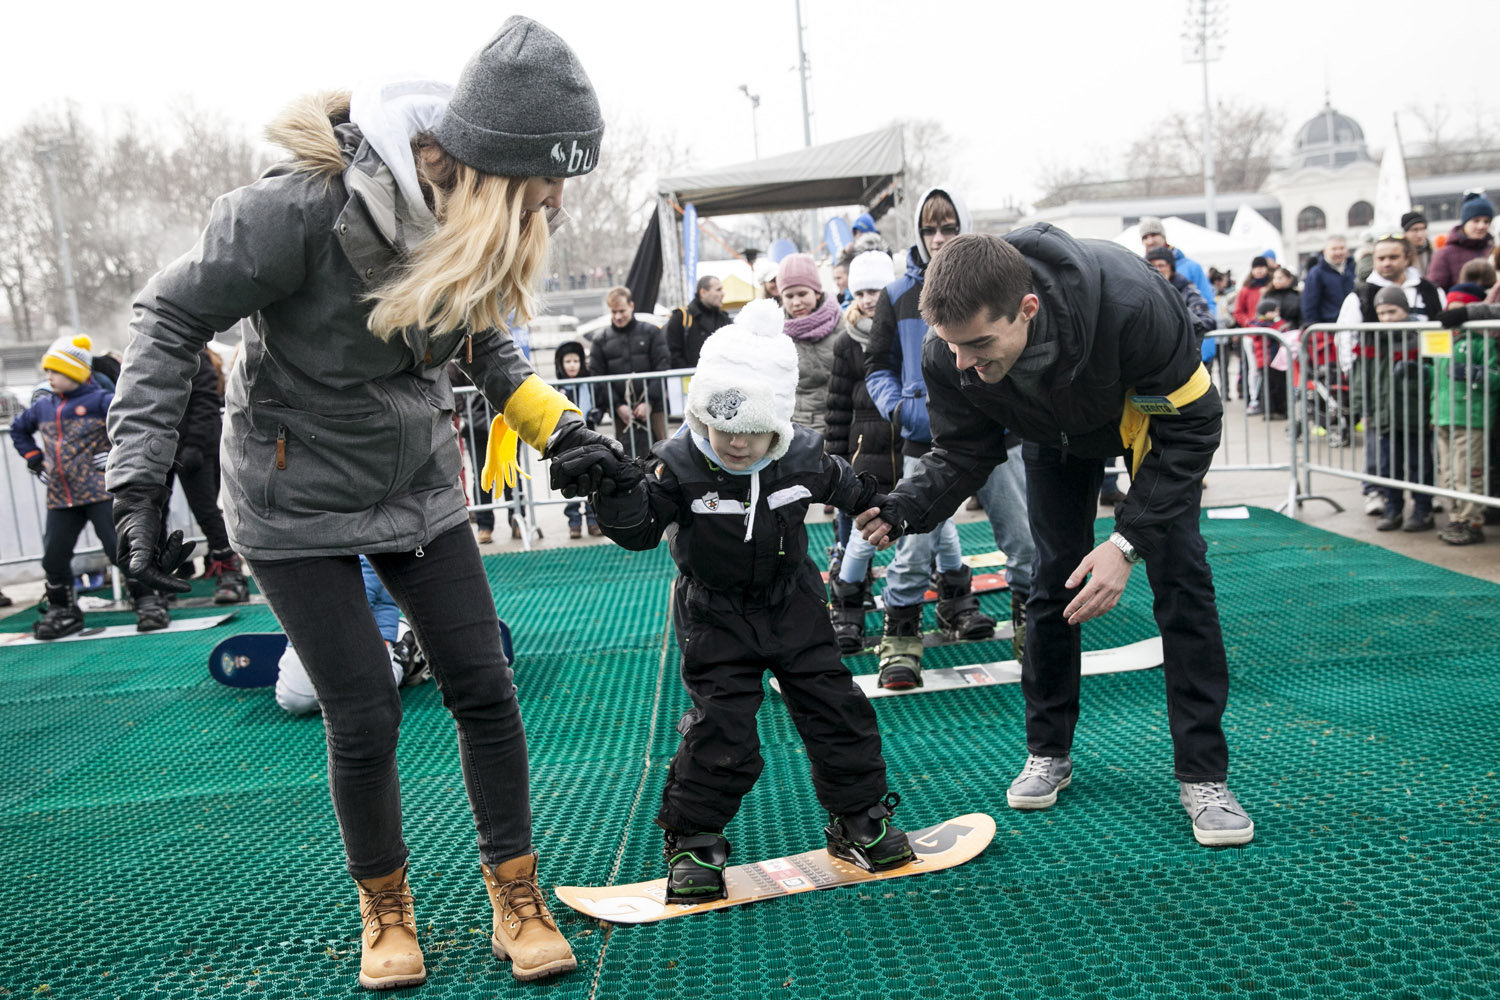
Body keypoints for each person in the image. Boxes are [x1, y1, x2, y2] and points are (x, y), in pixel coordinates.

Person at [104, 18, 623, 987]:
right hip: (290, 494)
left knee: (484, 684)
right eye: (550, 180)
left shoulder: (467, 215)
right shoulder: (302, 209)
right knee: (364, 708)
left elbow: (484, 342)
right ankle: (384, 906)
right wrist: (134, 481)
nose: (556, 199)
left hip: (416, 482)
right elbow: (169, 313)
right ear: (492, 162)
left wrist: (567, 432)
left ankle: (516, 892)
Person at [857, 228, 1254, 848]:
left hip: (1149, 423)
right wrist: (902, 509)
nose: (964, 364)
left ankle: (1203, 775)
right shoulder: (951, 351)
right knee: (1049, 582)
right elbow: (963, 450)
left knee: (1183, 580)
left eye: (980, 344)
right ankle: (1049, 752)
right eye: (952, 346)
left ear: (1029, 309)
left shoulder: (1135, 306)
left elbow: (1196, 426)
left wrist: (1125, 543)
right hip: (1055, 438)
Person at [564, 299, 913, 903]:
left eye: (751, 431)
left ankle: (858, 817)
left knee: (834, 706)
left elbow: (852, 485)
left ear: (776, 422)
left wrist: (892, 506)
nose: (733, 443)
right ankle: (694, 839)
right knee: (723, 729)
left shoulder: (801, 458)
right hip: (714, 613)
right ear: (701, 413)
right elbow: (640, 530)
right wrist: (615, 491)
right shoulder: (678, 466)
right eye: (720, 426)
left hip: (792, 603)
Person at [864, 185, 995, 689]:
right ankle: (900, 637)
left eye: (949, 226)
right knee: (914, 544)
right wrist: (899, 408)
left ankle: (1033, 623)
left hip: (995, 434)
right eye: (930, 228)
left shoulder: (989, 279)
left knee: (1022, 539)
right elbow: (878, 363)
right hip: (927, 439)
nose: (939, 237)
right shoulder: (898, 295)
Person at [10, 335, 171, 638]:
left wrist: (115, 453)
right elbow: (19, 429)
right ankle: (63, 609)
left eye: (55, 371)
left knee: (119, 549)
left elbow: (133, 426)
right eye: (47, 371)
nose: (49, 377)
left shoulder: (101, 401)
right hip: (61, 496)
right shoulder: (43, 407)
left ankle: (148, 601)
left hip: (99, 490)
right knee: (54, 556)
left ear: (74, 372)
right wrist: (34, 459)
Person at [1337, 234, 1444, 520]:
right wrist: (1360, 390)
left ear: (1406, 257)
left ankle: (1423, 502)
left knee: (1420, 455)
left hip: (1418, 395)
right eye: (1380, 257)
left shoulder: (1430, 291)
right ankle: (1381, 495)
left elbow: (1442, 339)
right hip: (1380, 393)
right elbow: (1347, 341)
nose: (1386, 263)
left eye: (1393, 257)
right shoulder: (1360, 294)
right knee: (1385, 455)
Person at [825, 249, 900, 652]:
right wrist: (833, 461)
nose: (870, 298)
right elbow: (836, 406)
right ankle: (848, 605)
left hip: (902, 449)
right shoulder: (846, 342)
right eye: (863, 291)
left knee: (928, 532)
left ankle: (948, 594)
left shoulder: (903, 334)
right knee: (857, 536)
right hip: (860, 456)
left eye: (878, 289)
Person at [277, 556, 431, 714]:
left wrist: (337, 626)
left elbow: (370, 563)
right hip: (312, 618)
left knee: (369, 696)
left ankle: (402, 646)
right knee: (296, 700)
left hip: (363, 614)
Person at [167, 348, 248, 603]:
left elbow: (204, 401)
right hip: (161, 447)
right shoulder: (153, 356)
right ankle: (156, 578)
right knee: (153, 512)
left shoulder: (195, 357)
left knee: (206, 511)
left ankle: (230, 570)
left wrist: (195, 444)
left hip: (195, 447)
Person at [1352, 286, 1436, 532]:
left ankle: (1423, 508)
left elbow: (1435, 374)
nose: (1387, 318)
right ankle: (1394, 507)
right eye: (1382, 313)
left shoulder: (1421, 334)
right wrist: (1363, 408)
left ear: (1405, 309)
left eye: (1392, 311)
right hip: (1384, 413)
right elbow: (1361, 377)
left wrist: (1434, 409)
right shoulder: (1372, 337)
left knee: (1420, 464)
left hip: (1416, 414)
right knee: (1389, 464)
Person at [1433, 299, 1500, 544]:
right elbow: (1438, 379)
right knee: (1449, 473)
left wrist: (1478, 374)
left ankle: (1472, 520)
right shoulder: (1444, 343)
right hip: (1444, 416)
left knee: (1468, 473)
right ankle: (1456, 517)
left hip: (1470, 418)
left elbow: (1495, 377)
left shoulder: (1482, 343)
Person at [590, 286, 670, 453]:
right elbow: (598, 377)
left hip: (653, 406)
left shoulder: (652, 332)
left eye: (621, 311)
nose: (618, 316)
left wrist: (648, 401)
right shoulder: (600, 340)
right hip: (620, 411)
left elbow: (662, 367)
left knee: (662, 452)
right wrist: (618, 406)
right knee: (625, 456)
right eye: (614, 312)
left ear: (631, 306)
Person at [778, 252, 842, 436]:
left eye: (802, 293)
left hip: (843, 424)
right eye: (789, 296)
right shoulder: (775, 334)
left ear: (816, 292)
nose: (796, 302)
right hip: (800, 431)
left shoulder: (843, 323)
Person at [553, 340, 601, 538]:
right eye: (568, 361)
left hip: (588, 439)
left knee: (591, 478)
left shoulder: (588, 387)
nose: (572, 365)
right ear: (561, 364)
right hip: (566, 443)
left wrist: (597, 414)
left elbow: (599, 404)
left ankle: (592, 519)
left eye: (576, 360)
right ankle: (574, 520)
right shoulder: (557, 390)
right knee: (570, 479)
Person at [1138, 216, 1216, 322]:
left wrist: (1203, 335)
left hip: (1188, 333)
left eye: (1154, 235)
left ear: (1163, 237)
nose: (1150, 241)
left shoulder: (1191, 267)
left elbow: (1208, 304)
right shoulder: (1139, 269)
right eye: (1145, 237)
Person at [1428, 193, 1495, 291]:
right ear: (1465, 222)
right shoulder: (1444, 254)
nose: (1481, 226)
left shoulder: (1493, 250)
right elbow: (1435, 290)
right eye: (1476, 221)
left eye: (1486, 221)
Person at [663, 274, 731, 369]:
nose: (723, 294)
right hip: (690, 379)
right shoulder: (681, 317)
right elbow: (672, 353)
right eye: (718, 290)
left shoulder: (724, 319)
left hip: (719, 379)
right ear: (703, 292)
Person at [1233, 256, 1272, 412]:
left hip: (1270, 332)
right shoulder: (1246, 290)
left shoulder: (1270, 287)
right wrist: (1249, 323)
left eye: (1262, 267)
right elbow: (1238, 312)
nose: (1260, 270)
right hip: (1252, 334)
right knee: (1254, 368)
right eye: (1257, 267)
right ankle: (1254, 399)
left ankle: (1268, 399)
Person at [1301, 234, 1355, 329]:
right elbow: (1309, 305)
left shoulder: (1353, 269)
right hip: (1327, 329)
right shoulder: (1316, 273)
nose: (1338, 252)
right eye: (1334, 249)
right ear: (1325, 251)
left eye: (1342, 248)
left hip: (1352, 325)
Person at [1404, 211, 1432, 276]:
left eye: (1423, 229)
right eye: (1415, 230)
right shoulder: (1400, 255)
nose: (1420, 234)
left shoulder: (1434, 252)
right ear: (1405, 232)